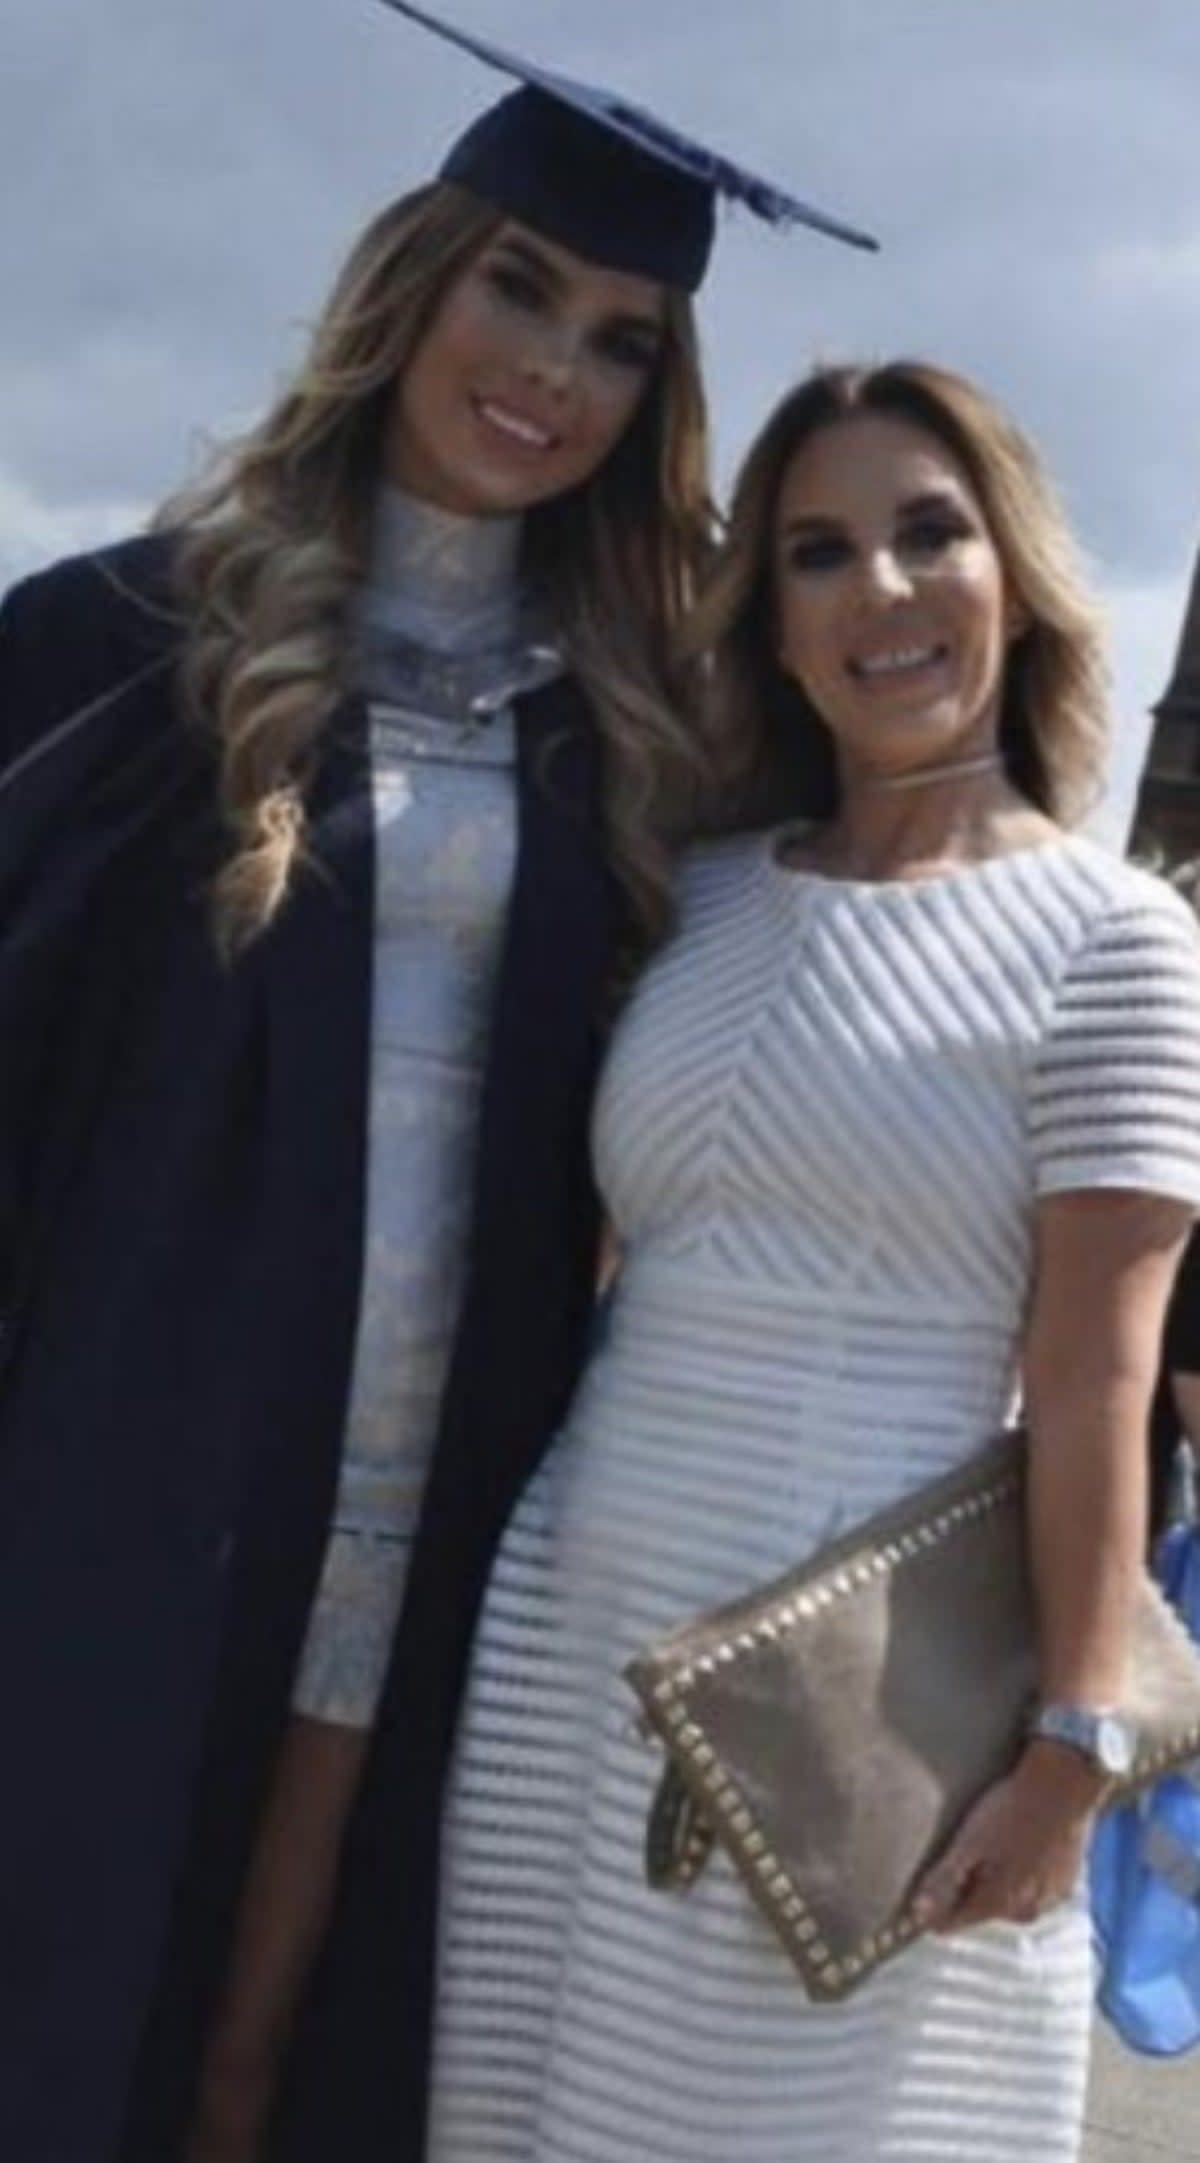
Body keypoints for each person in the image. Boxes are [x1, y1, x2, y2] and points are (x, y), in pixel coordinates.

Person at [0, 10, 877, 2160]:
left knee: (289, 2053)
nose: (553, 370)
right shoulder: (118, 647)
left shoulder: (649, 736)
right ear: (417, 282)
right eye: (521, 291)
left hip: (453, 1487)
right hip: (140, 1443)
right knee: (65, 1982)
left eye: (622, 341)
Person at [435, 359, 1200, 2162]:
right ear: (771, 627)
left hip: (866, 1696)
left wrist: (1075, 1750)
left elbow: (1094, 1379)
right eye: (820, 552)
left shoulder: (1117, 944)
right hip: (573, 1634)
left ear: (1015, 576)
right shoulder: (686, 899)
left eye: (932, 534)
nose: (884, 591)